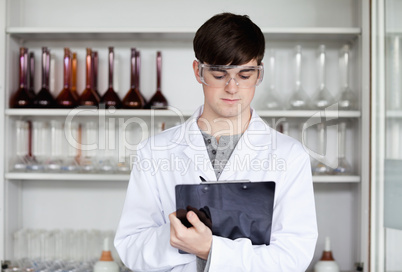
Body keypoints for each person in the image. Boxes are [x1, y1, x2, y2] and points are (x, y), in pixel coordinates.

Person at [114, 12, 318, 272]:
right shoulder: (154, 152)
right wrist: (178, 236)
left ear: (259, 74)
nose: (232, 88)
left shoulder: (290, 155)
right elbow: (131, 246)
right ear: (199, 71)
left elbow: (293, 257)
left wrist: (210, 249)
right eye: (220, 75)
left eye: (245, 75)